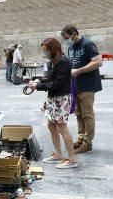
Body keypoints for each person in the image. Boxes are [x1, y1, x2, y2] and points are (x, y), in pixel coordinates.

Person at [28, 38, 78, 169]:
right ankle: (58, 154)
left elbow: (58, 83)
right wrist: (38, 81)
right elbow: (51, 79)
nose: (45, 53)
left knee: (62, 127)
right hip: (54, 98)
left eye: (46, 50)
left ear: (53, 49)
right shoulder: (54, 61)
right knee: (51, 125)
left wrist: (38, 86)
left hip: (61, 98)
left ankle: (72, 159)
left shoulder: (63, 61)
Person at [62, 25, 102, 153]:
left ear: (74, 34)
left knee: (87, 115)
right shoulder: (71, 47)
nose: (66, 41)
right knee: (79, 114)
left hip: (88, 85)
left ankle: (87, 143)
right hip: (76, 85)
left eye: (67, 38)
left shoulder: (87, 44)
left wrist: (79, 71)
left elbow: (98, 62)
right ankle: (80, 139)